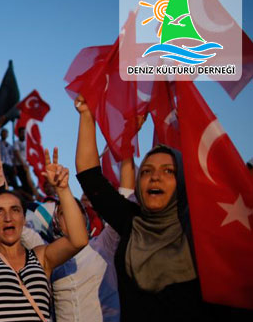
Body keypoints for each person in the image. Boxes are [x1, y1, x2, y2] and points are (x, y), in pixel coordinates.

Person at [73, 94, 224, 321]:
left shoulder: (201, 230)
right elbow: (90, 175)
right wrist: (87, 116)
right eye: (146, 171)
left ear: (183, 181)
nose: (155, 177)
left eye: (168, 171)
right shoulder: (131, 222)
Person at [0, 143, 89, 321]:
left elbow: (79, 240)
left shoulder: (41, 257)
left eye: (15, 210)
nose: (8, 217)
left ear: (24, 219)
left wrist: (62, 189)